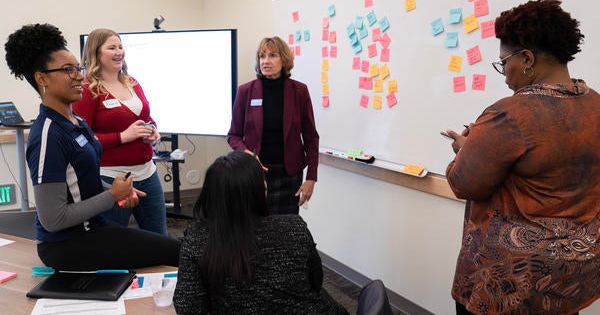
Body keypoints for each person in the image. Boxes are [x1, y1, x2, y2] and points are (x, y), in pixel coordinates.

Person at [444, 0, 600, 315]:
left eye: (505, 63)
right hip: (572, 275)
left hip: (513, 281)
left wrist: (463, 151)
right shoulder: (596, 105)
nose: (504, 73)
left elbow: (465, 184)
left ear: (527, 58)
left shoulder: (511, 114)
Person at [4, 23, 180, 270]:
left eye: (78, 68)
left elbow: (81, 183)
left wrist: (116, 190)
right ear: (42, 78)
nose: (78, 75)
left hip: (95, 228)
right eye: (68, 70)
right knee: (175, 251)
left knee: (170, 248)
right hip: (67, 244)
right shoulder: (47, 136)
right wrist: (112, 195)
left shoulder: (76, 122)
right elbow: (53, 219)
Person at [173, 150, 348, 315]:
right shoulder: (294, 226)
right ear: (260, 193)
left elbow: (189, 308)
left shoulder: (197, 238)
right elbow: (316, 281)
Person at [72, 28, 167, 235]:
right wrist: (123, 137)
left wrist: (153, 131)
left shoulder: (132, 82)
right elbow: (81, 138)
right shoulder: (88, 89)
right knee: (113, 241)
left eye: (121, 47)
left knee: (161, 238)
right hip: (111, 179)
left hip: (147, 173)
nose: (119, 52)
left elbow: (146, 118)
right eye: (112, 48)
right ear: (96, 53)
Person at [227, 36, 319, 215]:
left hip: (289, 174)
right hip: (254, 173)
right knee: (254, 229)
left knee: (284, 232)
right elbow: (233, 136)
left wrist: (311, 178)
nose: (265, 61)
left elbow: (311, 137)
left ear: (284, 59)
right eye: (262, 56)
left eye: (272, 55)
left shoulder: (299, 91)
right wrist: (247, 153)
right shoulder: (245, 91)